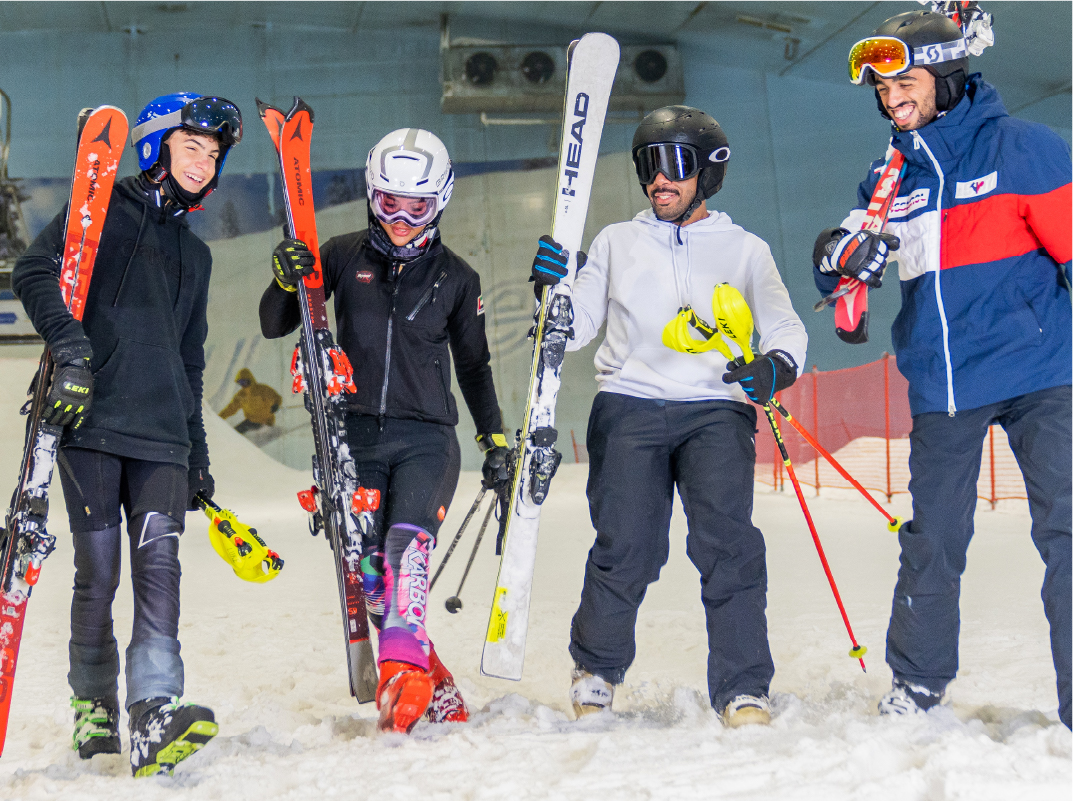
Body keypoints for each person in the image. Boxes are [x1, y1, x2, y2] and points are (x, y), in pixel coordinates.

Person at [813, 9, 1071, 728]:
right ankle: (918, 684)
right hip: (945, 385)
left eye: (904, 78)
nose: (890, 94)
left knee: (1068, 530)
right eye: (880, 85)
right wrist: (836, 256)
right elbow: (842, 271)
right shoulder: (889, 175)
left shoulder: (1025, 149)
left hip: (1041, 373)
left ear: (948, 75)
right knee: (933, 541)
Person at [533, 106, 807, 727]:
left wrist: (778, 363)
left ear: (708, 174)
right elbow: (570, 330)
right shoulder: (616, 242)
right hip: (629, 405)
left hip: (717, 407)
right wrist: (550, 290)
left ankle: (742, 687)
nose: (660, 180)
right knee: (628, 543)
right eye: (647, 165)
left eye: (675, 164)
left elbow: (783, 321)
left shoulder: (745, 249)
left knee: (728, 545)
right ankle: (597, 669)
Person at [13, 93, 243, 774]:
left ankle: (152, 712)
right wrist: (73, 351)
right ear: (157, 146)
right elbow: (33, 271)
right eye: (190, 148)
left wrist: (198, 450)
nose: (202, 163)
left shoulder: (196, 258)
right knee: (101, 573)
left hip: (164, 437)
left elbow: (192, 357)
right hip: (91, 423)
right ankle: (95, 706)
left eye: (212, 153)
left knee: (160, 569)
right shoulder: (100, 208)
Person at [259, 128, 509, 734]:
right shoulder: (342, 255)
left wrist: (494, 440)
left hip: (427, 439)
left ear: (440, 200)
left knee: (405, 554)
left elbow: (473, 368)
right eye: (389, 202)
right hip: (355, 442)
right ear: (373, 196)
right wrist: (287, 279)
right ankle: (432, 679)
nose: (400, 218)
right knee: (372, 578)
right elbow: (274, 323)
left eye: (416, 206)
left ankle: (404, 678)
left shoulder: (458, 277)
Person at [219, 368, 282, 434]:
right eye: (240, 382)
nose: (243, 385)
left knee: (243, 434)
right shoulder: (241, 395)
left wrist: (276, 405)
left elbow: (276, 397)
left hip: (266, 422)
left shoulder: (262, 389)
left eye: (244, 381)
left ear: (250, 379)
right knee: (234, 434)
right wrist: (219, 417)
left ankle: (267, 435)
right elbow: (231, 408)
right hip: (251, 421)